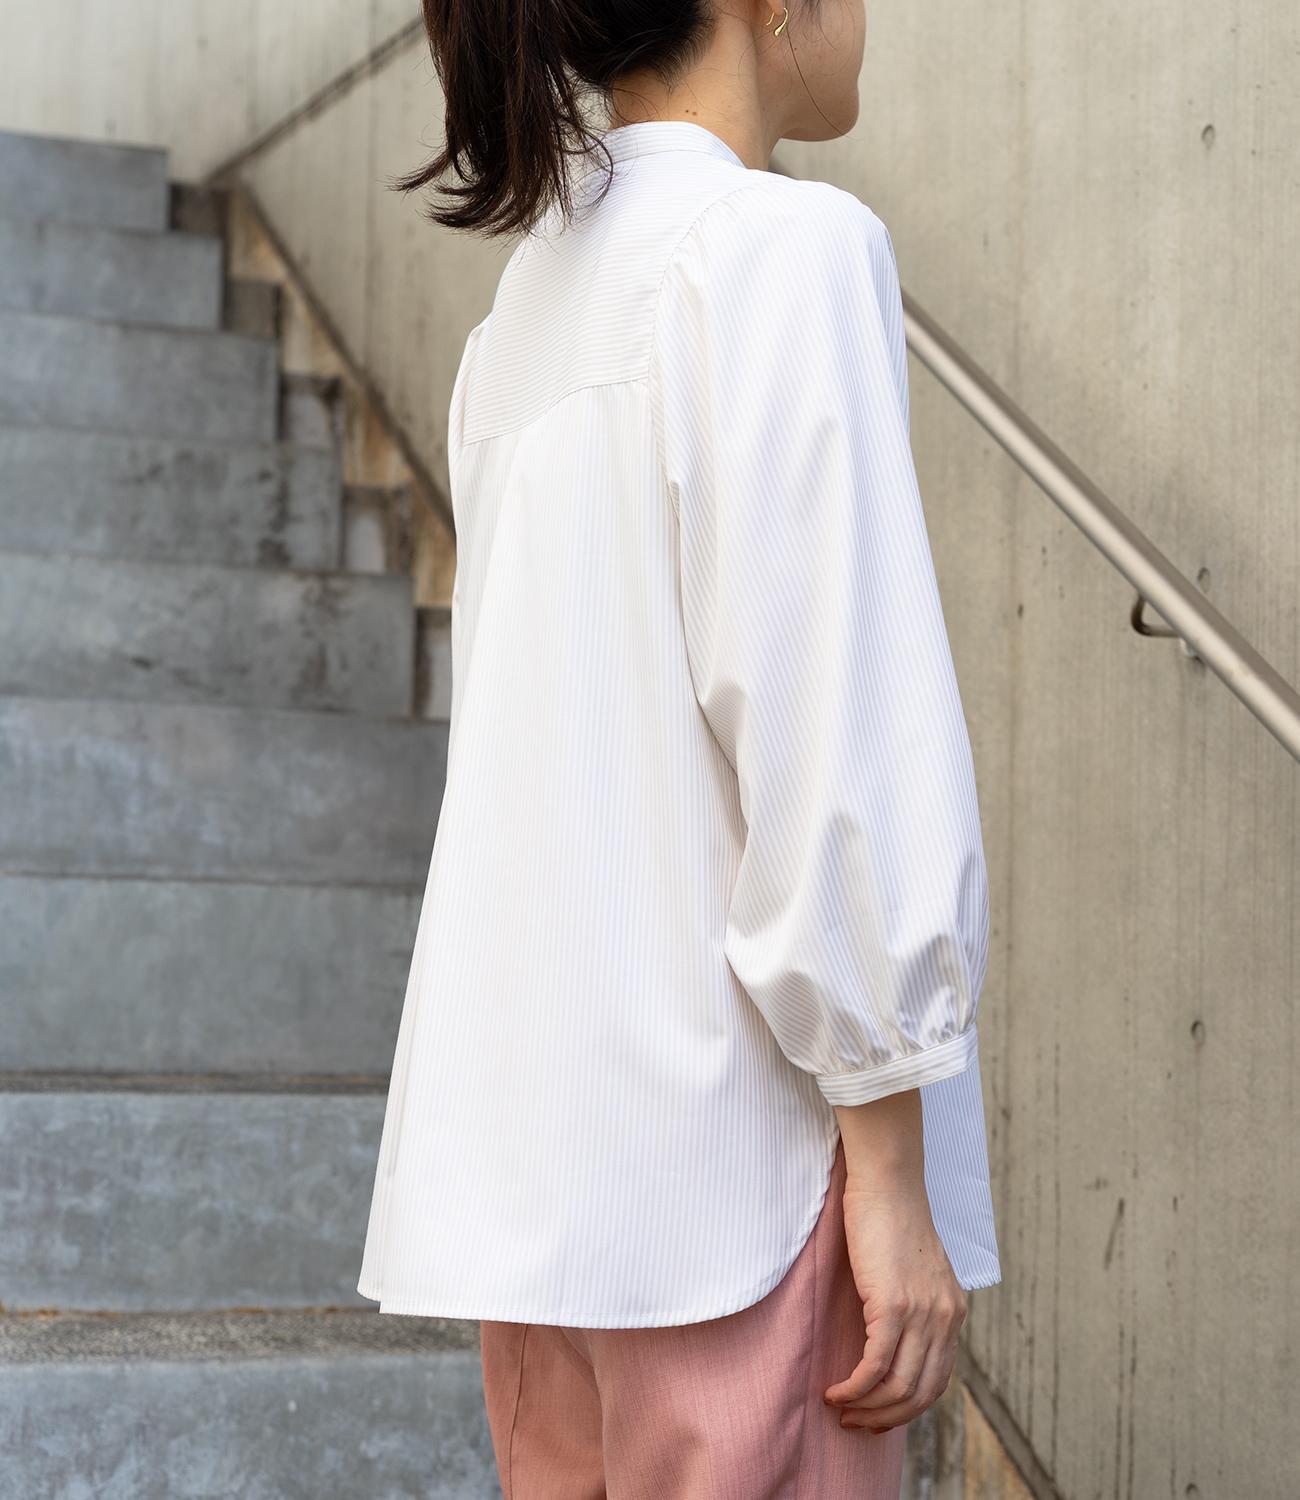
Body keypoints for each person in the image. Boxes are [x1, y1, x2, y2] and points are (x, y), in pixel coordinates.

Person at [356, 0, 1002, 1493]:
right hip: (744, 1187)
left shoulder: (523, 319)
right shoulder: (782, 249)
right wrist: (889, 1169)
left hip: (550, 1208)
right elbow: (831, 726)